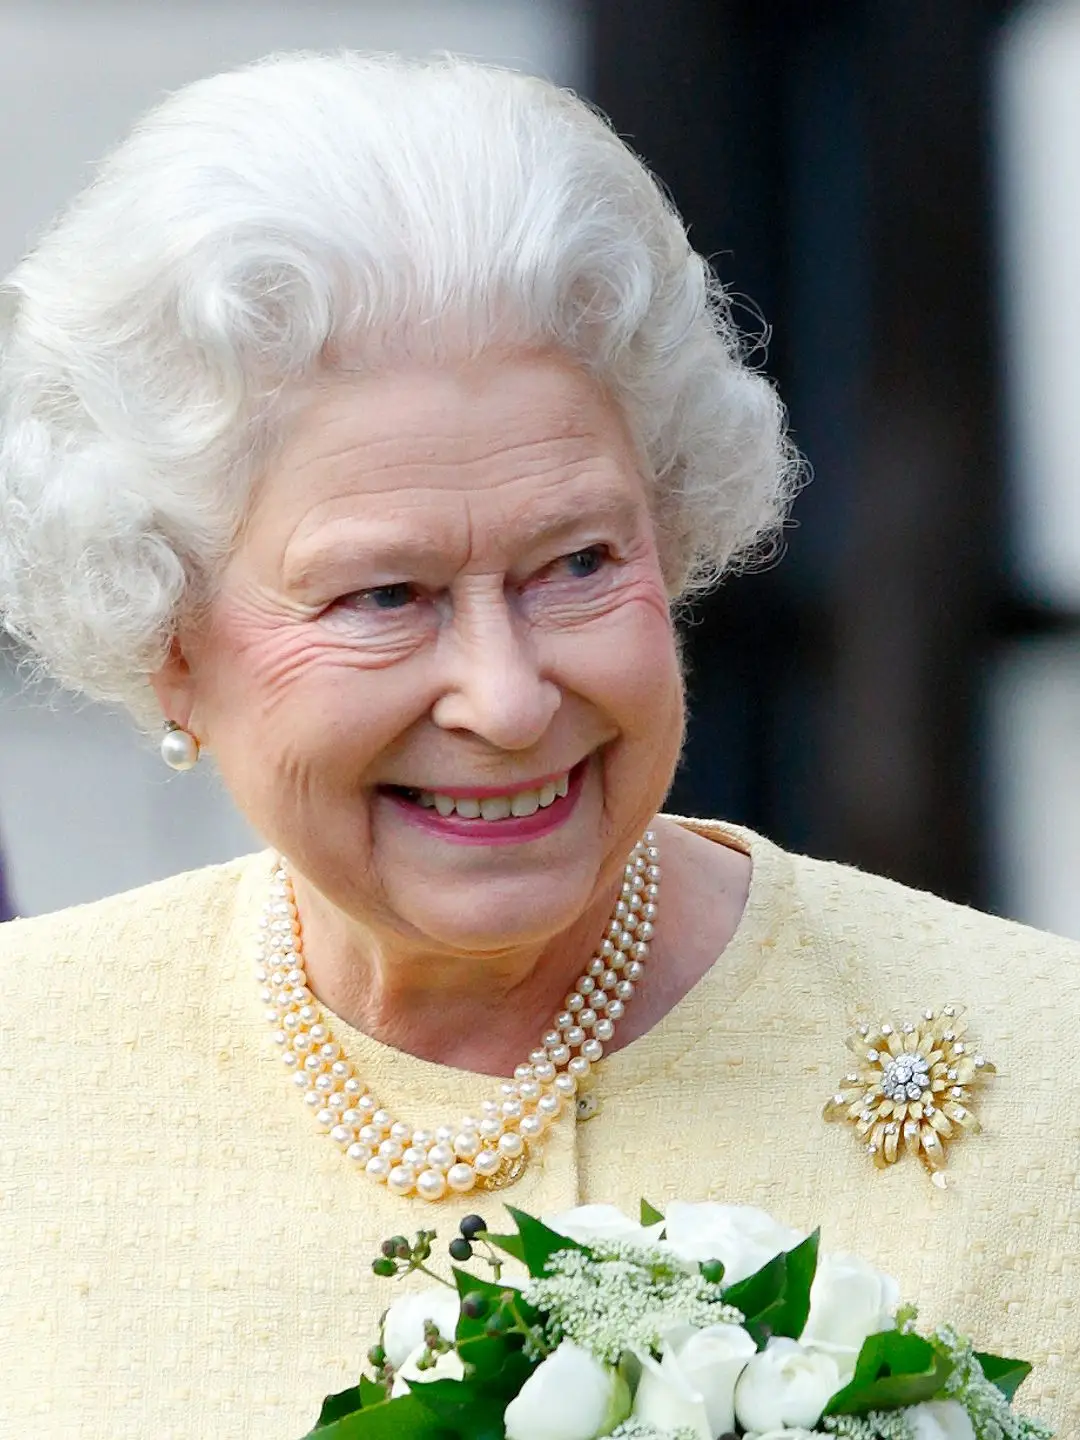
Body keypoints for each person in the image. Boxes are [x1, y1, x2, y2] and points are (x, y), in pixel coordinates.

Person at [0, 52, 1075, 1439]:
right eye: (383, 595)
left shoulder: (1050, 1080)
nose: (506, 701)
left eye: (575, 562)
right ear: (172, 641)